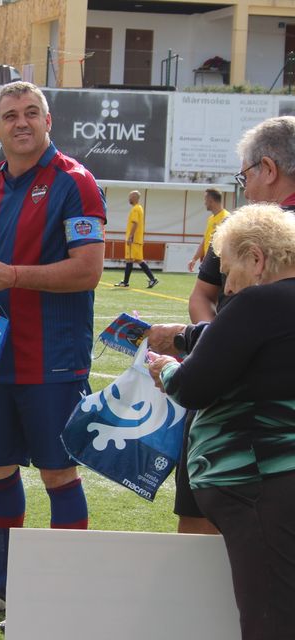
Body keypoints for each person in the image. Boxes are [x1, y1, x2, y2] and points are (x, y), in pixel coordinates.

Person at [0, 81, 106, 614]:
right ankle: (3, 586)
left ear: (48, 121)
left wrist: (13, 275)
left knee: (58, 473)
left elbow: (88, 270)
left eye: (31, 113)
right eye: (11, 114)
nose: (22, 122)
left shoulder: (75, 182)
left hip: (53, 358)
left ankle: (65, 596)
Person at [148, 204, 295, 640]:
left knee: (268, 615)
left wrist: (165, 369)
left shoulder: (257, 301)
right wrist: (187, 336)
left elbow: (193, 386)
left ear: (257, 259)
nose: (227, 286)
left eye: (229, 270)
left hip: (258, 479)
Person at [148, 115, 295, 535]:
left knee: (207, 536)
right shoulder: (240, 228)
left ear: (268, 169)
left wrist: (207, 351)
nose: (244, 188)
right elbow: (204, 295)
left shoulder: (246, 231)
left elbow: (191, 382)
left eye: (245, 176)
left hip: (233, 427)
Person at [114, 190, 158, 288]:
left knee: (130, 260)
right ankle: (152, 279)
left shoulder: (135, 209)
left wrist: (130, 236)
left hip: (133, 240)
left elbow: (135, 223)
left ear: (134, 198)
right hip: (138, 239)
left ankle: (126, 282)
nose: (128, 199)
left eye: (130, 197)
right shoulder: (140, 208)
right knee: (137, 260)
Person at [188, 189, 228, 272]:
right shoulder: (210, 219)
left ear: (211, 201)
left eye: (205, 199)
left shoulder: (226, 218)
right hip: (209, 262)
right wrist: (194, 259)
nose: (204, 203)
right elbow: (205, 240)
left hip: (219, 264)